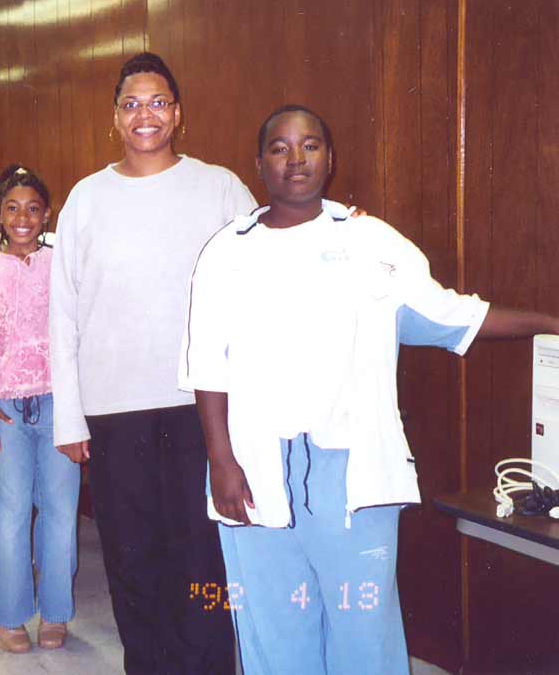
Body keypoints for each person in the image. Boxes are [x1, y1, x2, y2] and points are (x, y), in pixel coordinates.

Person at [180, 104, 559, 675]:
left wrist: (549, 321)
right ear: (259, 163)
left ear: (331, 159)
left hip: (352, 473)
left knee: (364, 628)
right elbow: (207, 365)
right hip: (253, 469)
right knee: (274, 624)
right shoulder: (226, 250)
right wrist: (221, 461)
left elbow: (453, 315)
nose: (296, 158)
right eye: (280, 148)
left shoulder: (371, 241)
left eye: (310, 145)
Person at [48, 52, 253, 673]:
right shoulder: (87, 198)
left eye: (158, 102)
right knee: (133, 556)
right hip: (113, 410)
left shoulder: (218, 186)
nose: (146, 115)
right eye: (132, 103)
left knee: (203, 556)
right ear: (115, 116)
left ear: (178, 113)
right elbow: (64, 312)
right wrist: (69, 420)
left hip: (202, 406)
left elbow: (257, 277)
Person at [0, 165, 80, 653]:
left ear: (46, 213)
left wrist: (79, 407)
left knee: (60, 510)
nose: (23, 217)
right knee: (11, 511)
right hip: (5, 405)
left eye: (33, 208)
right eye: (12, 208)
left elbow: (78, 331)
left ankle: (55, 612)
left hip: (59, 402)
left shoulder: (60, 263)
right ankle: (9, 614)